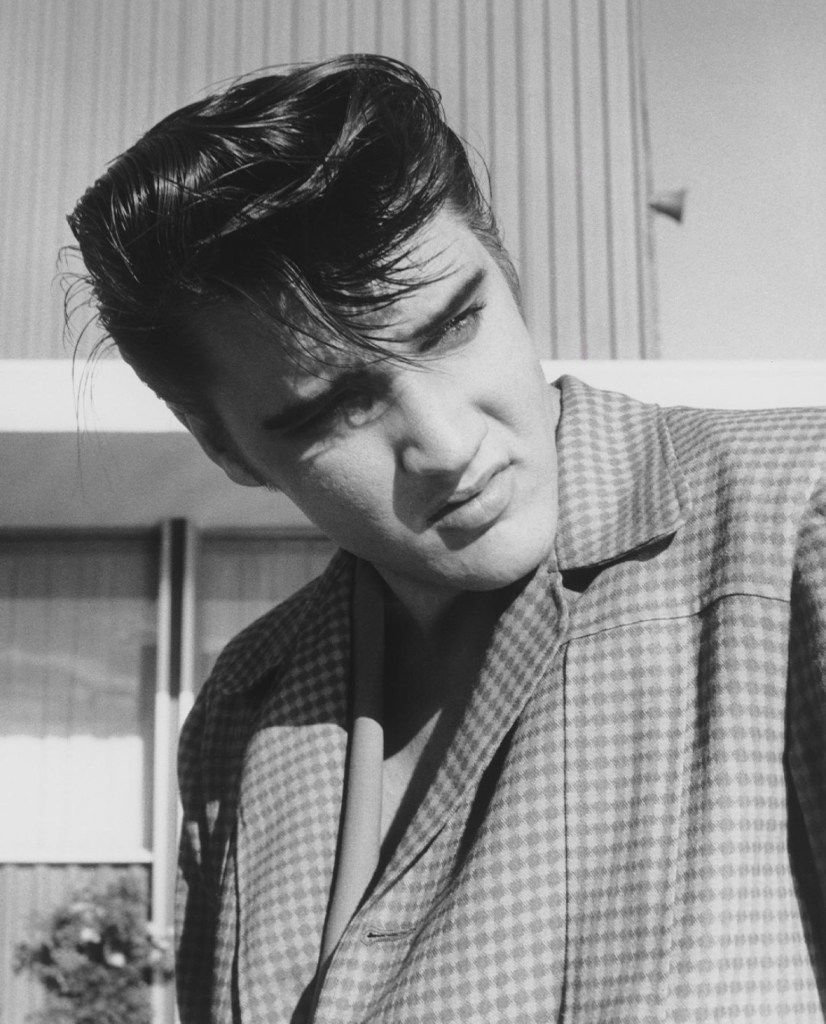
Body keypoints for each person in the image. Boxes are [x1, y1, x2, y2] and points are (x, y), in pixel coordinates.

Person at [68, 54, 826, 1023]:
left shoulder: (790, 520)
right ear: (228, 448)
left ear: (504, 268)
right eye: (334, 408)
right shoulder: (241, 710)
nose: (447, 443)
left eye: (454, 324)